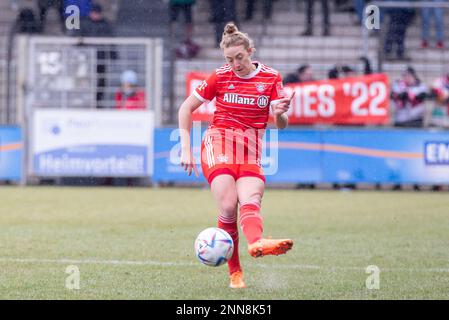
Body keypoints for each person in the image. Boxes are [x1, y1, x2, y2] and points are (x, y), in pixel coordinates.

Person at [178, 23, 294, 289]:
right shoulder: (219, 77)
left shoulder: (271, 77)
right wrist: (186, 148)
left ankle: (257, 244)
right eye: (229, 59)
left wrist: (279, 113)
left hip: (251, 149)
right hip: (218, 142)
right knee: (229, 204)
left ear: (250, 51)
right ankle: (235, 273)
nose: (235, 64)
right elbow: (186, 108)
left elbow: (281, 124)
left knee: (251, 199)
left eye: (239, 57)